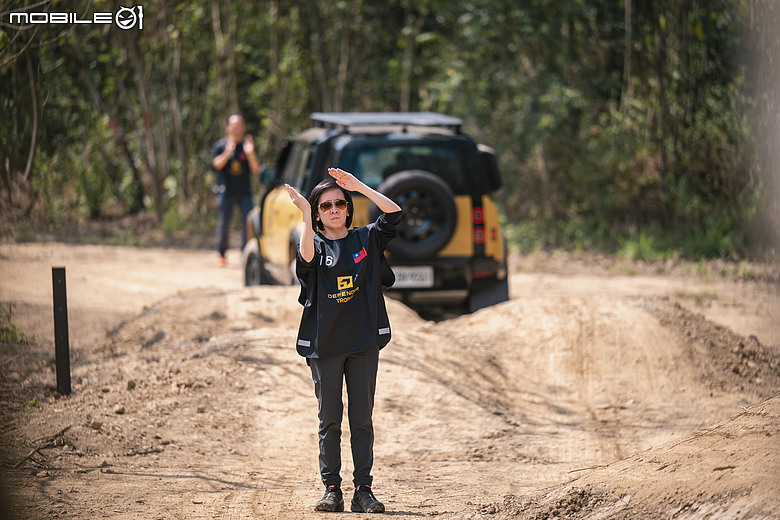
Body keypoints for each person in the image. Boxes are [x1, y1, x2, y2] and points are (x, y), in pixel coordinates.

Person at [286, 168, 402, 514]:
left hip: (363, 342)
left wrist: (360, 187)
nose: (334, 209)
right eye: (325, 206)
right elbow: (305, 261)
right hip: (326, 346)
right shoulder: (315, 243)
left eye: (340, 203)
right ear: (319, 214)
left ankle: (363, 490)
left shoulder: (366, 238)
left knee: (362, 419)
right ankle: (332, 490)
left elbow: (394, 213)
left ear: (348, 209)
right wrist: (305, 214)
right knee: (330, 420)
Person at [211, 114, 261, 266]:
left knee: (248, 224)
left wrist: (250, 152)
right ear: (227, 127)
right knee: (224, 224)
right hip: (225, 192)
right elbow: (216, 165)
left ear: (244, 128)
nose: (237, 129)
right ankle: (222, 254)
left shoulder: (247, 147)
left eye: (240, 125)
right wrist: (227, 152)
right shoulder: (220, 145)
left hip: (245, 192)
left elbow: (256, 169)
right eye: (234, 125)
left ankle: (245, 255)